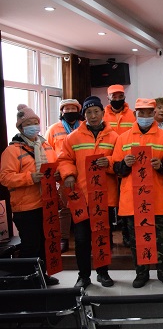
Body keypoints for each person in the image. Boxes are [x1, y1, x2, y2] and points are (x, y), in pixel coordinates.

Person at [112, 99, 163, 288]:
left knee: (162, 237)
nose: (145, 116)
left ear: (154, 114)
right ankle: (141, 273)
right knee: (136, 238)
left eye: (149, 113)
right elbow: (115, 167)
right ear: (135, 114)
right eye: (141, 113)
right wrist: (125, 164)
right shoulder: (123, 138)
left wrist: (161, 166)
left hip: (158, 196)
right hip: (133, 199)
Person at [58, 96, 119, 288]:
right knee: (82, 238)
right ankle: (83, 276)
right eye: (89, 112)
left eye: (96, 112)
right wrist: (68, 174)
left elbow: (120, 160)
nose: (93, 116)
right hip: (82, 197)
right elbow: (64, 160)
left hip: (104, 196)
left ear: (102, 113)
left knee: (102, 236)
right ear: (84, 115)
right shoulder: (72, 137)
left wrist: (108, 162)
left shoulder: (114, 137)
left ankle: (103, 273)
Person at [0, 104, 60, 286]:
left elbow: (55, 166)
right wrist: (30, 177)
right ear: (20, 127)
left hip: (47, 203)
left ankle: (42, 276)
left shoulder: (46, 146)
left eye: (35, 122)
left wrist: (57, 174)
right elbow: (5, 178)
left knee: (45, 242)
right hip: (25, 207)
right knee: (30, 245)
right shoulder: (12, 151)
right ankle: (28, 282)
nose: (33, 126)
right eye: (28, 124)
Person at [45, 98, 82, 253]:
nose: (70, 111)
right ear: (61, 112)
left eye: (73, 109)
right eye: (67, 109)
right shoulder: (53, 129)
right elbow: (47, 152)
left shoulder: (84, 127)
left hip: (82, 174)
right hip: (62, 175)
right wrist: (53, 171)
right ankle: (64, 238)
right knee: (65, 208)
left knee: (83, 206)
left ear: (78, 111)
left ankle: (84, 238)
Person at [103, 84, 136, 247]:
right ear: (108, 98)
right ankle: (107, 237)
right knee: (109, 203)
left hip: (128, 163)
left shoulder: (132, 115)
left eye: (120, 96)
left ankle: (127, 235)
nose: (117, 99)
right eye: (114, 97)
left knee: (126, 201)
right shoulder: (101, 115)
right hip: (109, 162)